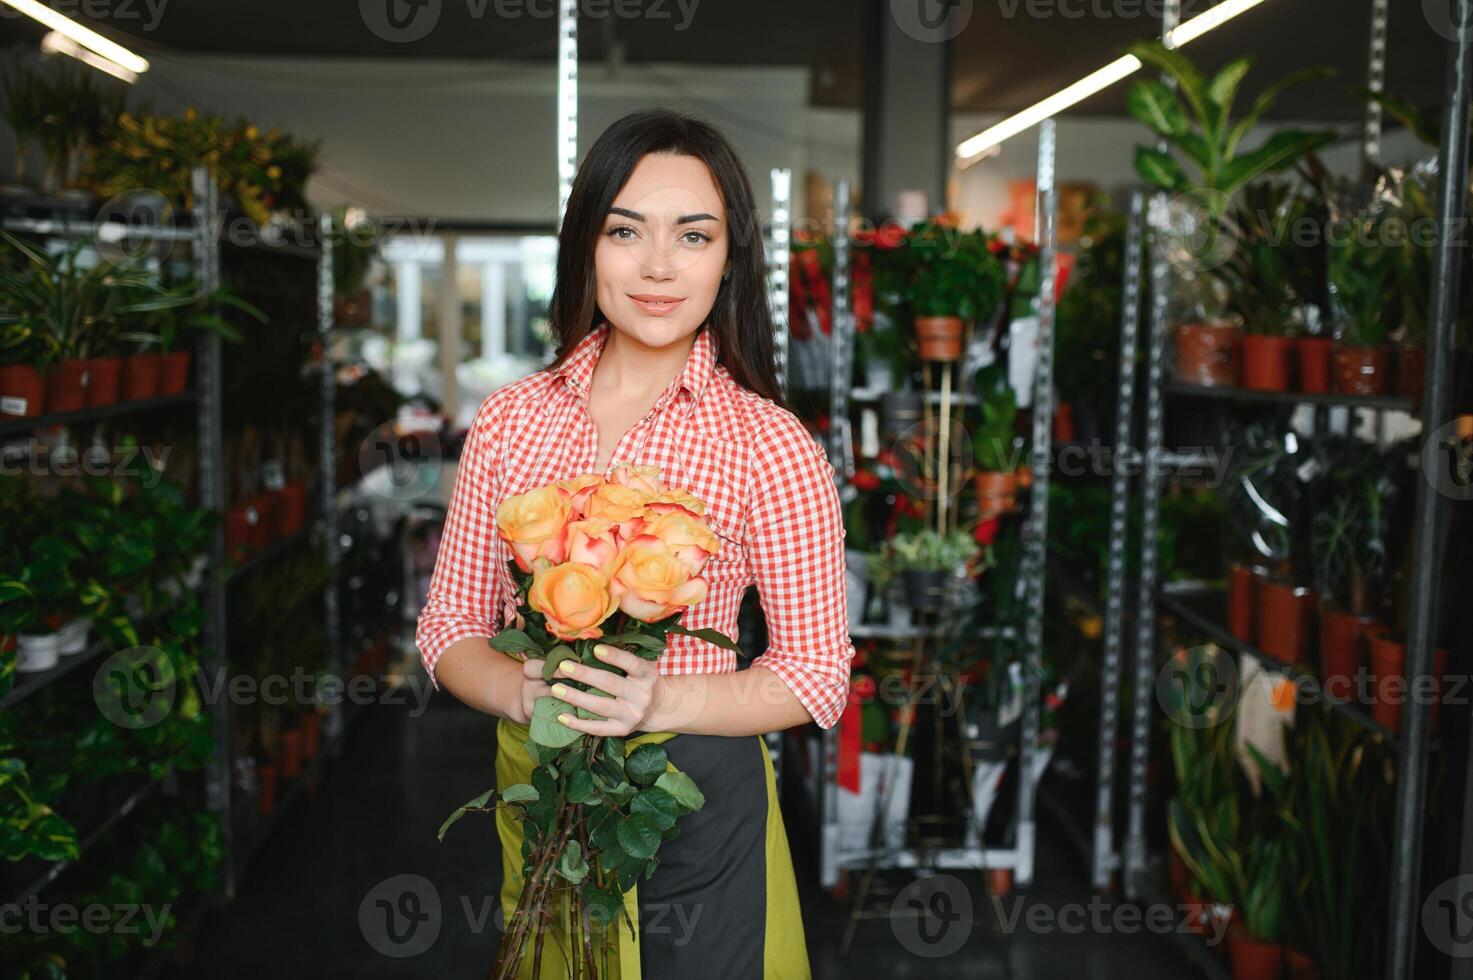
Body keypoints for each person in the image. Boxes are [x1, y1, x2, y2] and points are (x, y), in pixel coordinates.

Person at [415, 107, 856, 979]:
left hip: (699, 803)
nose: (658, 266)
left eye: (693, 236)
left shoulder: (770, 445)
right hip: (543, 787)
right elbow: (448, 628)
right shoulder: (510, 421)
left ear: (729, 259)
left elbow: (816, 675)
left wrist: (661, 706)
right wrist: (519, 686)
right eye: (627, 231)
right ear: (587, 244)